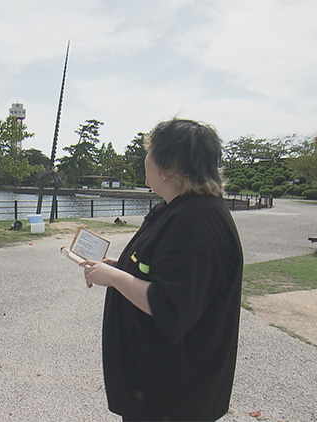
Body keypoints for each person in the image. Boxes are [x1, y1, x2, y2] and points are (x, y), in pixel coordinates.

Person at [79, 118, 243, 421]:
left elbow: (172, 305)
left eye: (150, 152)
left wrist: (115, 277)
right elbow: (162, 270)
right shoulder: (178, 209)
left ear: (168, 166)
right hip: (159, 390)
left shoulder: (195, 222)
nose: (146, 159)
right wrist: (120, 267)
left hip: (172, 399)